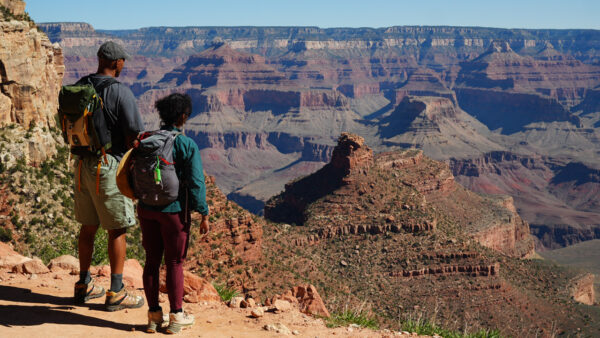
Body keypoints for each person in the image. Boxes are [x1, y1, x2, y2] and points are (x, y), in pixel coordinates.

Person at [73, 41, 145, 311]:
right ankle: (116, 291)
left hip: (81, 165)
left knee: (88, 227)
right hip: (107, 165)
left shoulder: (81, 84)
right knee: (116, 229)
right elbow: (135, 131)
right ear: (116, 63)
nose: (124, 65)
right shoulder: (119, 91)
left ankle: (84, 284)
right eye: (122, 62)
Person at [137, 93, 209, 334]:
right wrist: (204, 212)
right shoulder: (185, 144)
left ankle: (153, 316)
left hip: (146, 209)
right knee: (175, 262)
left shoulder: (147, 139)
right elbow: (197, 182)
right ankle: (176, 316)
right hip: (174, 212)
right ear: (183, 117)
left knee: (151, 261)